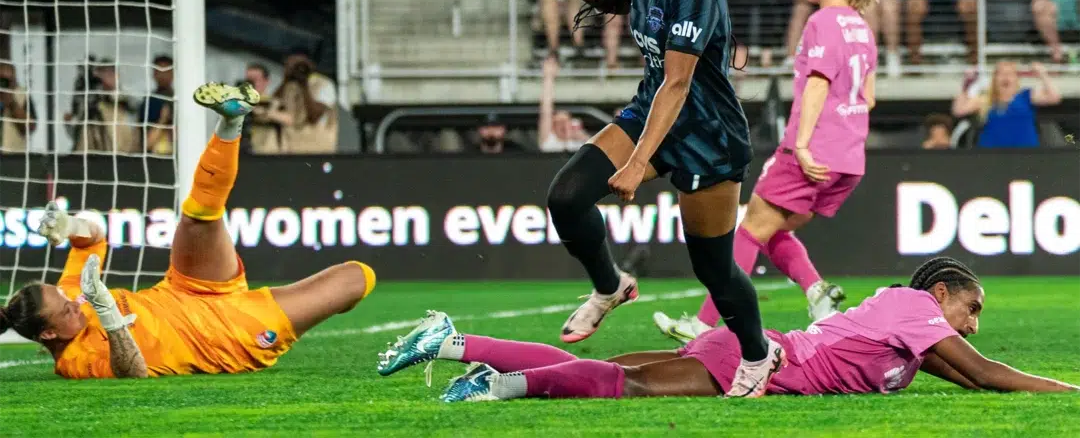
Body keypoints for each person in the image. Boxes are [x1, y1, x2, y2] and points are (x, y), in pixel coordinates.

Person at [541, 0, 782, 398]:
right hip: (651, 112)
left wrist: (635, 164)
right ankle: (611, 285)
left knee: (714, 270)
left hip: (706, 135)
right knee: (566, 195)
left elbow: (678, 84)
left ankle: (759, 355)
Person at [0, 82, 376, 378]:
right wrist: (109, 313)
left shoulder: (68, 294)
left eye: (68, 299)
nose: (74, 303)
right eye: (66, 310)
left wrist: (71, 225)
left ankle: (231, 122)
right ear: (49, 334)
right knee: (358, 276)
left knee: (199, 215)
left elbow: (94, 240)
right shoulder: (76, 362)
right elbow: (133, 370)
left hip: (188, 288)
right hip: (231, 337)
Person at [377, 257, 1079, 401]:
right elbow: (989, 373)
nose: (974, 324)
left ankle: (454, 341)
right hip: (761, 362)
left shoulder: (910, 336)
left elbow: (972, 379)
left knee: (619, 368)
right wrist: (1068, 389)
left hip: (755, 350)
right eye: (973, 308)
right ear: (945, 292)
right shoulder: (913, 307)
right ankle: (496, 388)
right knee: (637, 390)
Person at [654, 0, 887, 344]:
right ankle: (818, 294)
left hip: (813, 150)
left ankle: (704, 325)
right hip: (848, 159)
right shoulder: (861, 27)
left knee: (747, 232)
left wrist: (801, 145)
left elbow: (817, 84)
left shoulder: (823, 21)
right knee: (770, 229)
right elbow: (868, 96)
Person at [951, 62, 1062, 149]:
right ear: (995, 79)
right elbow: (958, 110)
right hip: (992, 155)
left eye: (1010, 74)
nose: (1006, 77)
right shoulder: (984, 99)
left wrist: (1043, 74)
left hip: (1025, 153)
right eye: (1001, 74)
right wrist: (965, 86)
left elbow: (1054, 98)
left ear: (1016, 78)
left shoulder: (1026, 96)